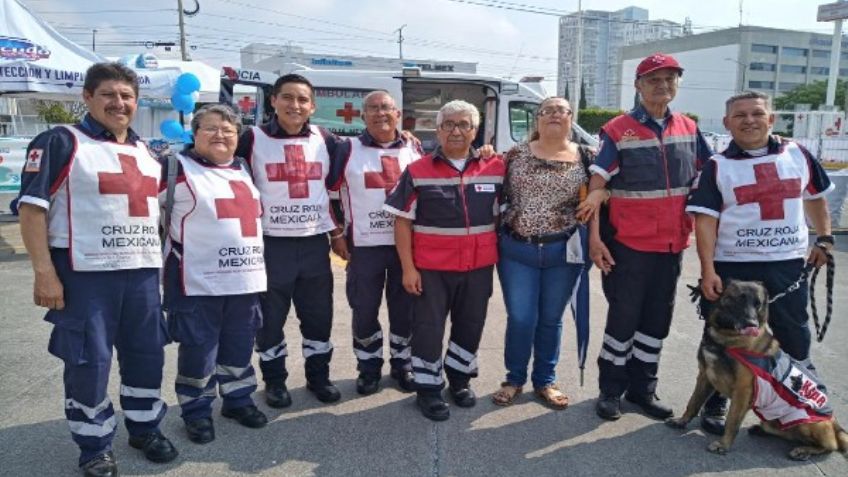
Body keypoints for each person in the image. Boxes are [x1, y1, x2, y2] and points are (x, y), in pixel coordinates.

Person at [17, 62, 177, 477]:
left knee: (147, 358)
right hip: (84, 276)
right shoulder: (60, 141)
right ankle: (94, 445)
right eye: (108, 94)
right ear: (87, 97)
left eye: (126, 96)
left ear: (137, 103)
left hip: (141, 274)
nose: (118, 103)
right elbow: (33, 212)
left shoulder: (147, 152)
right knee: (88, 363)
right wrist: (44, 273)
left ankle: (145, 428)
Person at [685, 90, 834, 435]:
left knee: (794, 339)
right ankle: (716, 403)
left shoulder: (797, 154)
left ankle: (803, 411)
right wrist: (707, 270)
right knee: (722, 341)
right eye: (740, 115)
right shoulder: (717, 166)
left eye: (756, 113)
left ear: (771, 118)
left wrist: (824, 238)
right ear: (727, 123)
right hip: (733, 267)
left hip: (786, 266)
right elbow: (704, 221)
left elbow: (814, 199)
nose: (749, 120)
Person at [588, 53, 713, 421]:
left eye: (670, 78)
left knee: (656, 322)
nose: (663, 85)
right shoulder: (616, 130)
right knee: (623, 321)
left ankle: (643, 390)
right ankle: (611, 390)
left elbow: (712, 176)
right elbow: (596, 186)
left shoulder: (689, 129)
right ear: (638, 86)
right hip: (629, 247)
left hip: (672, 246)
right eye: (654, 79)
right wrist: (595, 240)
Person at [384, 100, 504, 421]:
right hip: (431, 269)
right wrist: (408, 268)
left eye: (464, 124)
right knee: (427, 329)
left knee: (470, 325)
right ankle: (428, 389)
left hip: (478, 268)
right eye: (448, 124)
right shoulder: (418, 170)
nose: (456, 130)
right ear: (437, 130)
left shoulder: (495, 168)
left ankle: (460, 381)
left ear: (475, 131)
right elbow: (401, 221)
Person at [160, 104, 268, 445]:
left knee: (240, 343)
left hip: (244, 280)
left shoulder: (245, 168)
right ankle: (196, 410)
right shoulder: (174, 168)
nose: (220, 135)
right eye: (210, 128)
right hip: (196, 281)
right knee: (199, 348)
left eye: (228, 130)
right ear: (194, 132)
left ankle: (237, 400)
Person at [235, 74, 346, 408]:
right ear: (273, 101)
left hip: (313, 244)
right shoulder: (251, 138)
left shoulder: (326, 139)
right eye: (287, 97)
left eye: (302, 100)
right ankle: (275, 381)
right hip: (271, 244)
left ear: (312, 106)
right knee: (269, 320)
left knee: (318, 317)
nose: (294, 105)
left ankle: (318, 377)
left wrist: (408, 138)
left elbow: (346, 178)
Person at [491, 97, 603, 409]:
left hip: (563, 252)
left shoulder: (587, 155)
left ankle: (545, 381)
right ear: (537, 120)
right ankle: (514, 379)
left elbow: (605, 190)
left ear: (571, 118)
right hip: (517, 250)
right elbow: (487, 179)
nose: (554, 114)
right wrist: (485, 151)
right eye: (547, 110)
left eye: (561, 110)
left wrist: (599, 192)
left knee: (551, 319)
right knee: (522, 317)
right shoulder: (515, 154)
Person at [325, 90, 420, 395]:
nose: (380, 114)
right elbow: (324, 194)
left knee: (405, 309)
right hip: (364, 247)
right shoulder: (346, 149)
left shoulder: (414, 147)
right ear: (363, 116)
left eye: (386, 108)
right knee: (364, 310)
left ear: (398, 114)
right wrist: (337, 234)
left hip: (407, 247)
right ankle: (368, 368)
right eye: (373, 109)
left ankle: (402, 364)